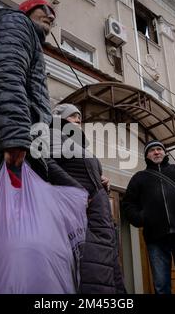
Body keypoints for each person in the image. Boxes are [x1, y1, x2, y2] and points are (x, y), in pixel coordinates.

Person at [0, 0, 57, 190]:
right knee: (7, 217)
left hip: (11, 146)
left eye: (53, 15)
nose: (51, 16)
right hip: (7, 149)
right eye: (44, 9)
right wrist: (15, 136)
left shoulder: (26, 36)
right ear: (26, 10)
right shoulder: (17, 23)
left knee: (7, 217)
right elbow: (4, 75)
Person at [50, 103, 126, 294]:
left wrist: (102, 180)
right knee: (92, 266)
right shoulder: (53, 136)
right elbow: (46, 163)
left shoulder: (80, 146)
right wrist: (77, 191)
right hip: (79, 213)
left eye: (79, 118)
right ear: (60, 119)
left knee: (107, 265)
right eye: (73, 116)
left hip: (99, 217)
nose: (78, 121)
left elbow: (87, 173)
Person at [122, 140, 175, 294]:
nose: (156, 152)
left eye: (159, 149)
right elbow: (128, 204)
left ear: (165, 152)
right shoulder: (140, 177)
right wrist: (141, 218)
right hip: (155, 238)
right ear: (147, 155)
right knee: (161, 286)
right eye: (152, 150)